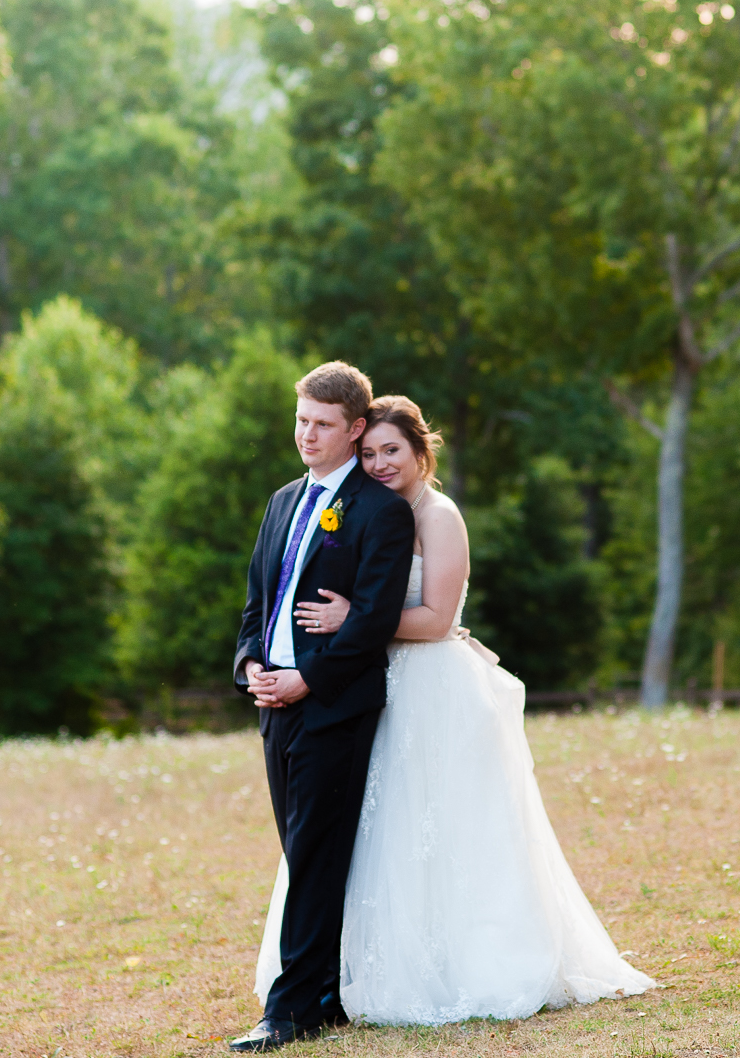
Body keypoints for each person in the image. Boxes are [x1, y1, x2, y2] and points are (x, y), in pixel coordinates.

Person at [251, 394, 653, 1027]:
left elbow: (438, 620)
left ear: (420, 452)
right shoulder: (356, 509)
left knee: (443, 827)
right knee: (379, 832)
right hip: (374, 682)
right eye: (370, 453)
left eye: (392, 451)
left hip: (433, 685)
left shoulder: (438, 516)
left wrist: (356, 620)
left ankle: (464, 962)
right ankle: (357, 971)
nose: (379, 463)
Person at [226, 363, 415, 1053]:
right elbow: (257, 602)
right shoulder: (281, 501)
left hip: (333, 704)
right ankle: (328, 992)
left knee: (310, 852)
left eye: (324, 425)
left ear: (355, 428)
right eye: (302, 420)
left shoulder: (380, 510)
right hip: (272, 702)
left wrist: (309, 680)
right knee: (299, 848)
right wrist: (252, 665)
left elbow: (373, 619)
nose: (308, 434)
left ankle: (287, 1011)